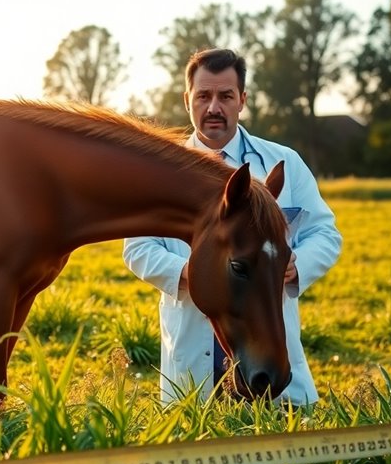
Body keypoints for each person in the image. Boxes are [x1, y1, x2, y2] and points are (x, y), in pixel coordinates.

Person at [122, 48, 342, 406]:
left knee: (278, 446)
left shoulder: (285, 162)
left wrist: (296, 263)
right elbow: (137, 248)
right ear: (187, 99)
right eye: (203, 96)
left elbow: (326, 234)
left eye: (225, 96)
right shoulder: (160, 174)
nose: (214, 108)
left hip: (269, 339)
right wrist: (194, 272)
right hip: (191, 350)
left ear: (242, 100)